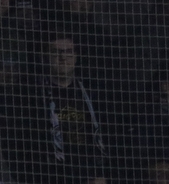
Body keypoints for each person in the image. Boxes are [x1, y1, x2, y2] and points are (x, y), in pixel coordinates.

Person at [25, 28, 108, 184]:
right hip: (52, 175)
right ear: (45, 57)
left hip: (90, 174)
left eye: (68, 51)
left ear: (76, 56)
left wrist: (100, 175)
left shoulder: (91, 93)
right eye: (56, 52)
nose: (63, 57)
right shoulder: (34, 96)